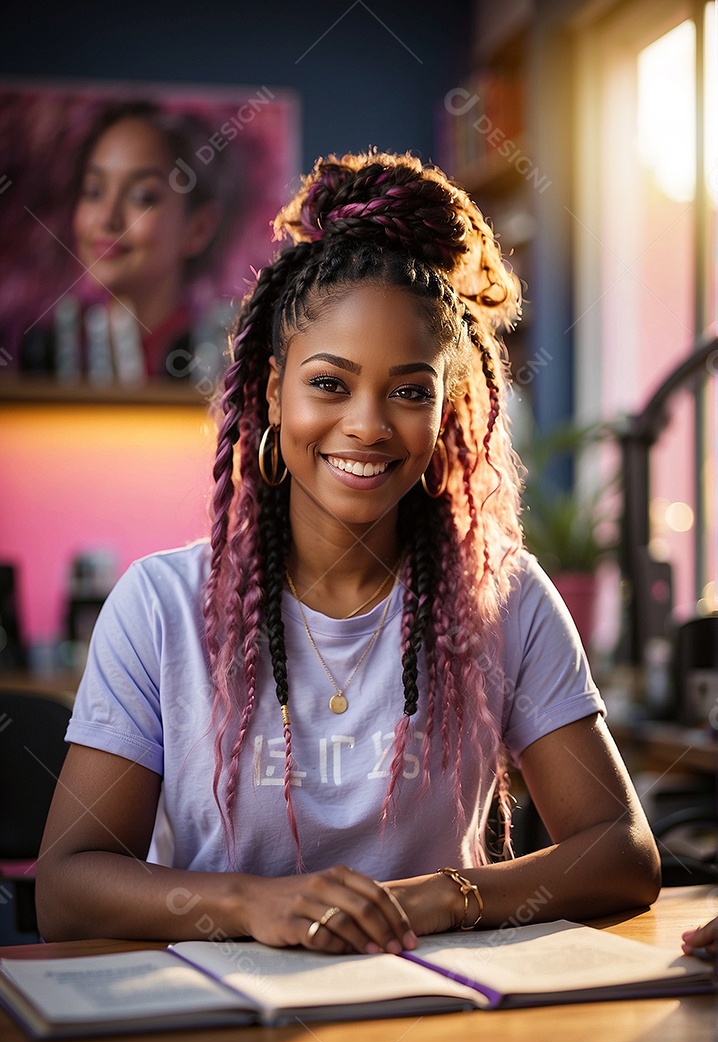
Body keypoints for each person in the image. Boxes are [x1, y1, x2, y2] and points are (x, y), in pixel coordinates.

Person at [36, 151, 661, 953]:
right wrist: (250, 906)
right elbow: (66, 888)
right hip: (213, 1032)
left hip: (432, 1015)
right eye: (329, 384)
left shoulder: (505, 597)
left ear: (447, 412)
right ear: (272, 390)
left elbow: (623, 851)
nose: (367, 425)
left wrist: (443, 896)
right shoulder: (158, 606)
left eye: (408, 391)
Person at [21, 100, 225, 380]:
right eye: (93, 191)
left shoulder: (220, 360)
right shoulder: (47, 354)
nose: (106, 219)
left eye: (142, 197)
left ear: (198, 228)